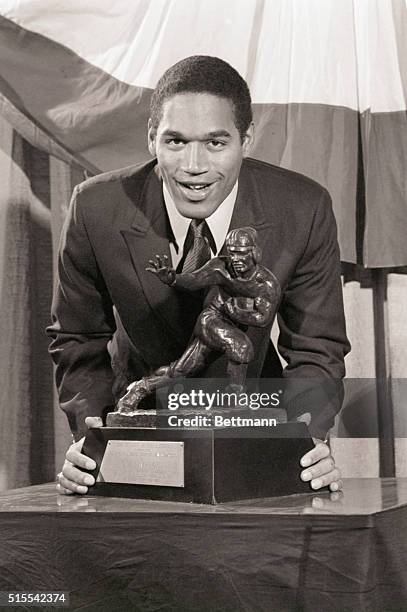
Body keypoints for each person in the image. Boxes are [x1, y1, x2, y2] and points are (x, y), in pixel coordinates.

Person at [48, 55, 350, 495]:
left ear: (246, 140)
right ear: (152, 139)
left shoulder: (303, 208)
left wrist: (305, 439)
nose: (194, 165)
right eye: (175, 142)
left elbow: (317, 346)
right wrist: (92, 434)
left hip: (251, 417)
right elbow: (77, 337)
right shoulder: (94, 208)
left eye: (215, 143)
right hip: (141, 425)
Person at [118, 226, 281, 411]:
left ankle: (139, 388)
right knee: (241, 346)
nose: (235, 259)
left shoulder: (266, 284)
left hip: (229, 322)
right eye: (232, 253)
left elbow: (263, 318)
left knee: (181, 371)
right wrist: (174, 279)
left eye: (242, 254)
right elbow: (195, 279)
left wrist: (237, 312)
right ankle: (236, 399)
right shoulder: (221, 267)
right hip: (211, 319)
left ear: (255, 253)